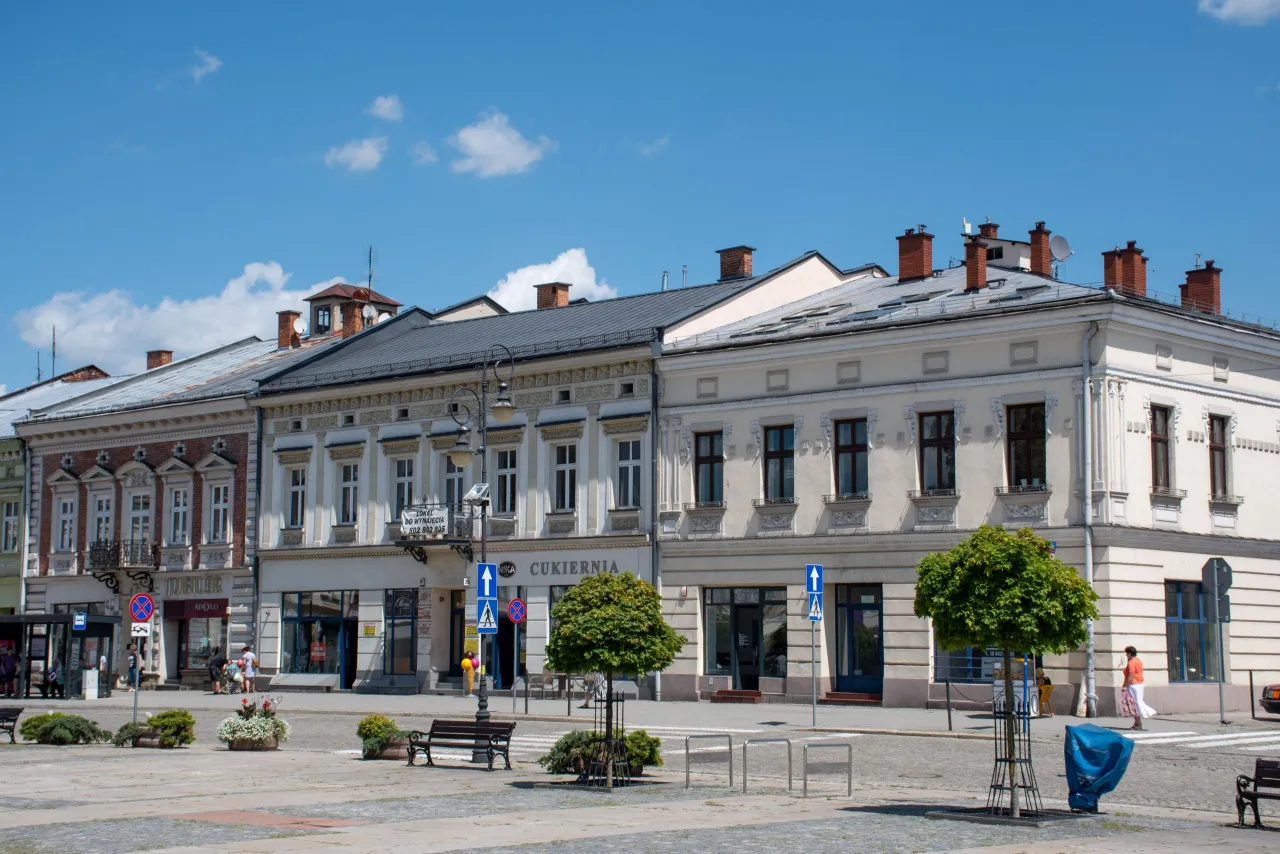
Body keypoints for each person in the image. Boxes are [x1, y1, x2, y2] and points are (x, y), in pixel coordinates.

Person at [1122, 646, 1157, 729]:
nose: (1126, 655)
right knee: (1136, 702)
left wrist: (1125, 686)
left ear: (1130, 653)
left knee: (1133, 703)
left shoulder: (1131, 663)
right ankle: (1138, 722)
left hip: (1133, 685)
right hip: (1139, 684)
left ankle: (1141, 719)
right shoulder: (1138, 661)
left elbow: (1131, 675)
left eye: (1127, 653)